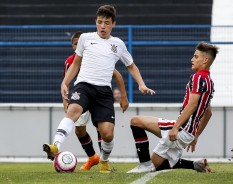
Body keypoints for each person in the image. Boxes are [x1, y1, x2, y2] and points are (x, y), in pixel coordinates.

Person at [43, 4, 155, 174]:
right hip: (84, 86)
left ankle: (104, 161)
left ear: (113, 24)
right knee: (72, 111)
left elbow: (131, 66)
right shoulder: (85, 39)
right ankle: (55, 145)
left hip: (104, 92)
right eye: (100, 22)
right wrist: (64, 83)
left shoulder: (118, 44)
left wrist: (141, 84)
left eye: (107, 23)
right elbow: (76, 63)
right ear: (95, 22)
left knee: (107, 134)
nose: (103, 26)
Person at [127, 42, 219, 173]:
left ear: (205, 60)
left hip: (182, 129)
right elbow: (208, 113)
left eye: (195, 57)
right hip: (189, 133)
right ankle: (195, 165)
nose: (192, 59)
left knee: (135, 121)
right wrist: (196, 136)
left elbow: (192, 105)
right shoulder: (209, 81)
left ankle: (144, 165)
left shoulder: (198, 77)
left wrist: (176, 127)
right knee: (156, 164)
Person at [60, 31, 129, 171]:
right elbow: (65, 82)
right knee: (79, 131)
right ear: (74, 46)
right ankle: (92, 157)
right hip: (82, 96)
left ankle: (104, 160)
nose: (77, 45)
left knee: (102, 129)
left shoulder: (97, 55)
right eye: (75, 43)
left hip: (99, 95)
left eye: (78, 42)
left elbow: (118, 75)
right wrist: (65, 101)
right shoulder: (69, 62)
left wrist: (123, 96)